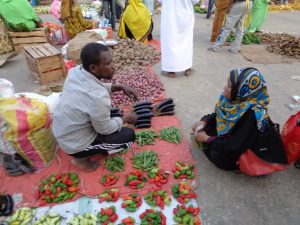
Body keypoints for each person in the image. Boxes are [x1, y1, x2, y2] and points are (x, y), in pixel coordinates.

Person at [52, 43, 138, 172]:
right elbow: (105, 129)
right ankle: (81, 159)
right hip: (75, 145)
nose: (113, 67)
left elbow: (92, 88)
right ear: (93, 68)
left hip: (63, 132)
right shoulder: (98, 98)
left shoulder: (76, 72)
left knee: (112, 115)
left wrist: (119, 87)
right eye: (108, 64)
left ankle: (83, 151)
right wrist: (125, 119)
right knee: (128, 137)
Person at [191, 68, 287, 171]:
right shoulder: (233, 101)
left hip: (248, 147)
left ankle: (239, 166)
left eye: (229, 86)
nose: (225, 88)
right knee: (207, 129)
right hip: (237, 135)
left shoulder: (253, 115)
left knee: (218, 157)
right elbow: (218, 116)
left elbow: (234, 147)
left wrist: (207, 139)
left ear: (241, 90)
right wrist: (204, 121)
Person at [158, 0, 199, 78]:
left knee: (169, 42)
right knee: (186, 42)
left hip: (170, 16)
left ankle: (171, 70)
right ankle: (187, 68)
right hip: (185, 15)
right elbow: (195, 1)